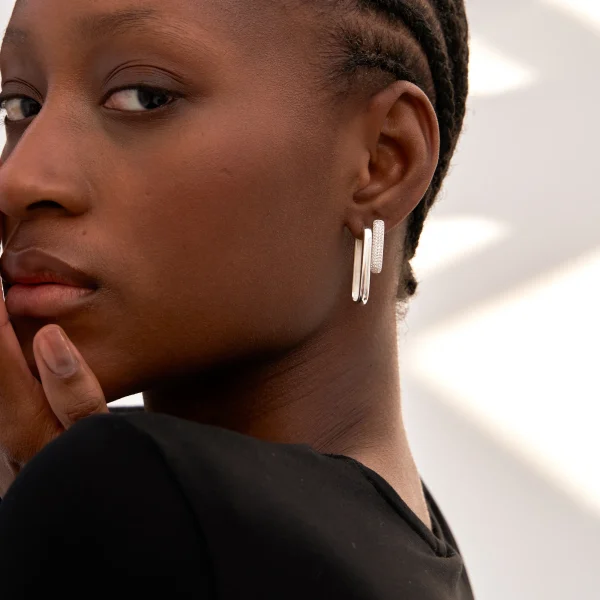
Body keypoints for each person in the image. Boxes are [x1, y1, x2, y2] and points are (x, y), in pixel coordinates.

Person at [0, 0, 472, 597]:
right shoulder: (420, 544)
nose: (16, 180)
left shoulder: (134, 494)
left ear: (382, 159)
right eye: (20, 106)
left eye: (144, 96)